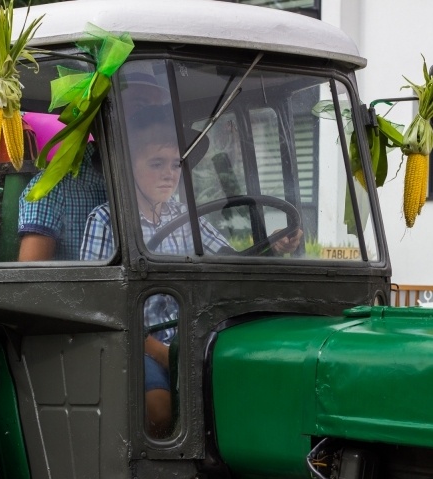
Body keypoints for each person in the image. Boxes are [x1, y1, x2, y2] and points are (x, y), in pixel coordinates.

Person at [80, 105, 301, 437]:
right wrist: (162, 353)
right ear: (126, 167)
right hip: (136, 346)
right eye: (157, 164)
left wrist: (274, 245)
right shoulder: (105, 220)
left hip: (193, 338)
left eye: (175, 164)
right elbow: (99, 305)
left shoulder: (185, 217)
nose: (169, 174)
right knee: (161, 412)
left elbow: (229, 261)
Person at [17, 61, 171, 261]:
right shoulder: (52, 190)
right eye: (141, 106)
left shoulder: (160, 182)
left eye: (157, 110)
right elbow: (32, 276)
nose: (154, 120)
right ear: (99, 113)